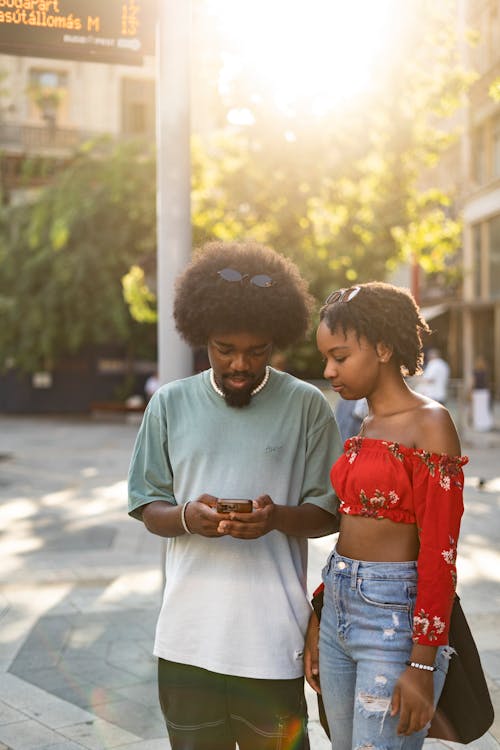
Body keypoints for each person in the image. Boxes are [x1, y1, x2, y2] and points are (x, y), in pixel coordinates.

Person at [128, 240, 343, 750]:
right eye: (226, 349)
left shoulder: (308, 406)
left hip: (272, 642)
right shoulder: (169, 404)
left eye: (257, 350)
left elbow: (329, 514)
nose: (240, 363)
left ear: (277, 341)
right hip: (186, 640)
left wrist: (276, 519)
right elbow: (146, 503)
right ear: (202, 336)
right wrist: (186, 516)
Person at [305, 282, 468, 750]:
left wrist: (421, 664)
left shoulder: (430, 423)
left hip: (393, 622)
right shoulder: (363, 424)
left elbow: (440, 554)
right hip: (338, 603)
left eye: (339, 357)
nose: (329, 370)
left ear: (382, 347)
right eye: (326, 359)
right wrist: (323, 608)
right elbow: (351, 530)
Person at [471, 355, 493, 432]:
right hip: (484, 391)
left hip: (477, 392)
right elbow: (487, 382)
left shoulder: (475, 372)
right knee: (484, 408)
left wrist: (471, 390)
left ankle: (479, 424)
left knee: (478, 408)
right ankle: (486, 424)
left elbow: (473, 382)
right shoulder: (485, 372)